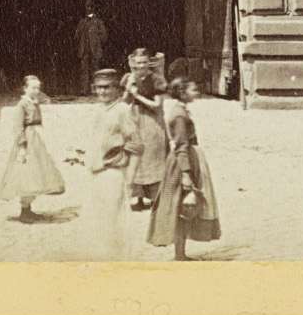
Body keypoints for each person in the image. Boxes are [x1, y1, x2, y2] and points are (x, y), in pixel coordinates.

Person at [147, 77, 222, 259]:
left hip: (184, 160)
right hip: (183, 163)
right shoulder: (179, 115)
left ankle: (181, 254)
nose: (196, 92)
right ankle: (179, 255)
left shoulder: (179, 110)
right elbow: (181, 145)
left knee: (183, 208)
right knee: (182, 208)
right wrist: (186, 174)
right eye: (193, 90)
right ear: (182, 92)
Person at [0, 74, 66, 220]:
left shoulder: (34, 101)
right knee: (27, 174)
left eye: (38, 88)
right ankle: (24, 210)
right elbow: (18, 127)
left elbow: (46, 100)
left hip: (37, 140)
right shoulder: (22, 105)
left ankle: (28, 209)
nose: (36, 90)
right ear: (25, 88)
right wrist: (22, 147)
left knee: (37, 173)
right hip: (28, 141)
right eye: (33, 88)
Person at [82, 67, 133, 258]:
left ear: (117, 89)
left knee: (113, 219)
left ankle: (115, 260)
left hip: (113, 171)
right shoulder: (99, 110)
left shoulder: (122, 110)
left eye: (107, 87)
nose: (102, 91)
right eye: (99, 87)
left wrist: (131, 178)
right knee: (97, 219)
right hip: (96, 171)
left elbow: (135, 145)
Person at [123, 61, 171, 212]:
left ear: (148, 63)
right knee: (136, 156)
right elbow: (125, 102)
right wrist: (128, 89)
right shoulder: (130, 78)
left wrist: (137, 95)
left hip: (152, 121)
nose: (140, 66)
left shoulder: (157, 79)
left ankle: (156, 197)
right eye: (137, 63)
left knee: (153, 157)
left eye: (144, 62)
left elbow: (157, 105)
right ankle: (137, 196)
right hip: (135, 119)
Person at [74, 4, 108, 97]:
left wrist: (96, 41)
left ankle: (96, 90)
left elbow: (104, 36)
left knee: (95, 70)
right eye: (87, 7)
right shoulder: (82, 22)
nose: (88, 9)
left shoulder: (98, 22)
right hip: (84, 50)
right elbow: (76, 36)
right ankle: (84, 90)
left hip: (95, 50)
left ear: (93, 8)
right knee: (84, 70)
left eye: (90, 7)